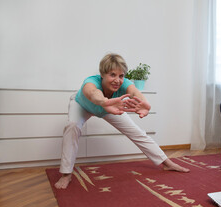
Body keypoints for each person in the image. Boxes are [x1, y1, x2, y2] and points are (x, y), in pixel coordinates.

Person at [55, 53, 189, 189]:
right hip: (83, 105)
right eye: (112, 75)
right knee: (72, 126)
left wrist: (145, 103)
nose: (117, 80)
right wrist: (104, 102)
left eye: (121, 76)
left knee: (136, 132)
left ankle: (166, 163)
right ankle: (66, 174)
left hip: (111, 108)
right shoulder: (90, 82)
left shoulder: (124, 84)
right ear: (102, 74)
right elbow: (93, 94)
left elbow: (135, 92)